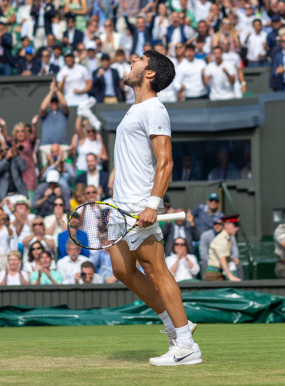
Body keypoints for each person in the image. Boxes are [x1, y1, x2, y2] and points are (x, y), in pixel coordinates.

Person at [106, 49, 200, 366]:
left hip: (137, 205)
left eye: (140, 59)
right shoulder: (135, 109)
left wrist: (152, 204)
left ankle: (186, 344)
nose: (133, 59)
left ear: (150, 74)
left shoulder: (154, 109)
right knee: (122, 269)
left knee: (157, 271)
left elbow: (166, 162)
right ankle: (175, 325)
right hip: (120, 205)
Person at [205, 214, 242, 282]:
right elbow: (222, 260)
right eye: (235, 225)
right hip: (214, 275)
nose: (237, 228)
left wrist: (232, 259)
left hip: (219, 273)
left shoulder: (228, 238)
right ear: (227, 225)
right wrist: (231, 276)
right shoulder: (221, 239)